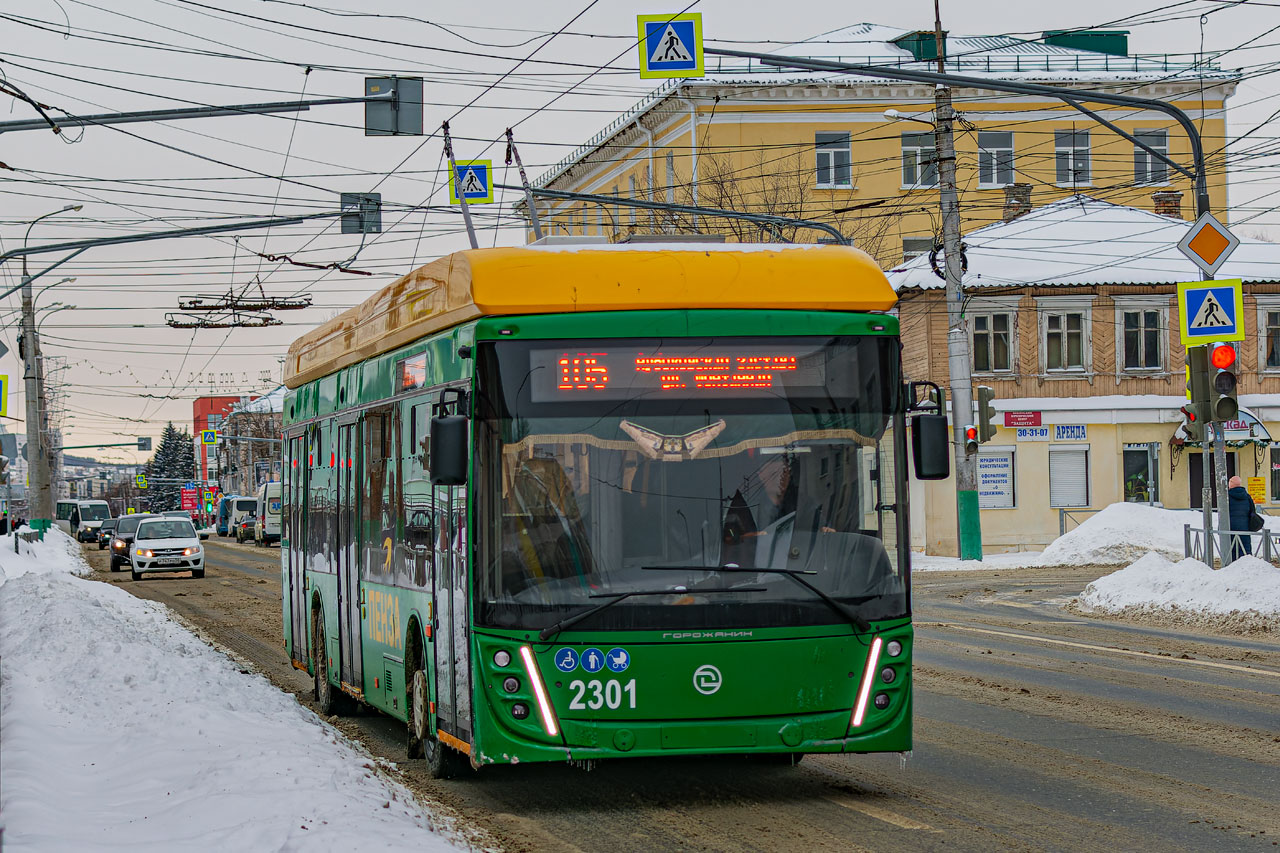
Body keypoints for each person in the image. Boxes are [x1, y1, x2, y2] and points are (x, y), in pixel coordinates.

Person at [1226, 475, 1260, 562]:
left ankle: (1231, 566)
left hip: (1230, 527)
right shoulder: (1247, 496)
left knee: (1231, 549)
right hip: (1244, 527)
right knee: (1245, 549)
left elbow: (1222, 512)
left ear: (1231, 484)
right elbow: (1252, 511)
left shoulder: (1226, 497)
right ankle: (1247, 565)